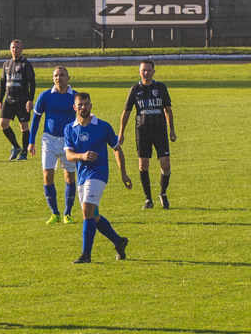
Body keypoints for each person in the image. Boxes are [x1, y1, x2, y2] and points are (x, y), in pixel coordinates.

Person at [63, 91, 131, 262]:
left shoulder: (102, 126)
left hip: (99, 173)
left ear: (91, 105)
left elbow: (116, 148)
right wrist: (82, 156)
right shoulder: (69, 129)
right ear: (75, 107)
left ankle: (86, 255)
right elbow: (69, 156)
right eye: (80, 105)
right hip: (82, 176)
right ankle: (119, 241)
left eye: (86, 104)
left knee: (87, 209)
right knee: (93, 215)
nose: (83, 107)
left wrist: (123, 173)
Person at [118, 59, 178, 211]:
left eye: (149, 70)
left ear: (153, 72)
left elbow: (167, 110)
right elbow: (126, 112)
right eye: (143, 70)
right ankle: (148, 199)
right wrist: (121, 134)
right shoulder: (135, 89)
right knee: (143, 165)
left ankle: (163, 193)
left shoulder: (161, 87)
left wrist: (172, 130)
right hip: (142, 131)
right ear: (139, 72)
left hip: (160, 131)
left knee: (165, 164)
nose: (146, 73)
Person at [30, 65, 79, 222]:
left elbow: (83, 120)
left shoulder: (75, 97)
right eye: (56, 75)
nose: (59, 78)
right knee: (47, 175)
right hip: (49, 140)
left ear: (68, 78)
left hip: (69, 142)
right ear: (53, 78)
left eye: (62, 75)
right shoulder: (45, 96)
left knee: (69, 177)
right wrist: (31, 141)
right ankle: (55, 213)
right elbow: (36, 119)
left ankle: (67, 214)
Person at [0, 38, 37, 161]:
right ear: (10, 49)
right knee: (3, 124)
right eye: (13, 47)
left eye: (17, 47)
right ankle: (16, 147)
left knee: (23, 126)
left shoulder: (25, 64)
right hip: (8, 100)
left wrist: (30, 100)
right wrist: (0, 100)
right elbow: (3, 83)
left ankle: (24, 153)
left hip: (22, 100)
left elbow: (33, 83)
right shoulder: (6, 65)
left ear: (21, 49)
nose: (15, 50)